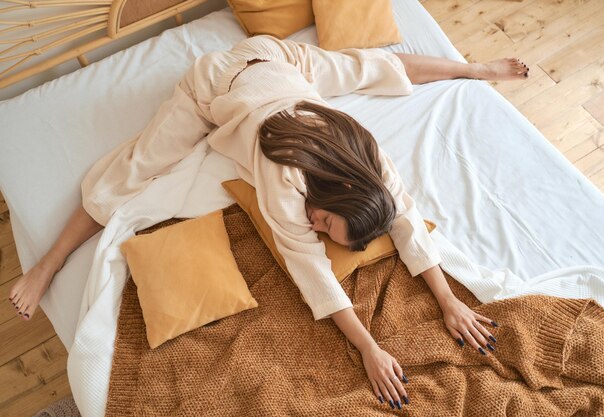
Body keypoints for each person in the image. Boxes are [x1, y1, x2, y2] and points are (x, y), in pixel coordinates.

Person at [9, 35, 528, 409]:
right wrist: (368, 347)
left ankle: (474, 68)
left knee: (370, 67)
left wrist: (448, 299)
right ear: (336, 190)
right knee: (129, 173)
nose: (317, 230)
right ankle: (48, 264)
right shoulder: (285, 179)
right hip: (218, 83)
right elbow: (309, 270)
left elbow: (406, 219)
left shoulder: (366, 158)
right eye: (325, 222)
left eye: (323, 231)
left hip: (284, 61)